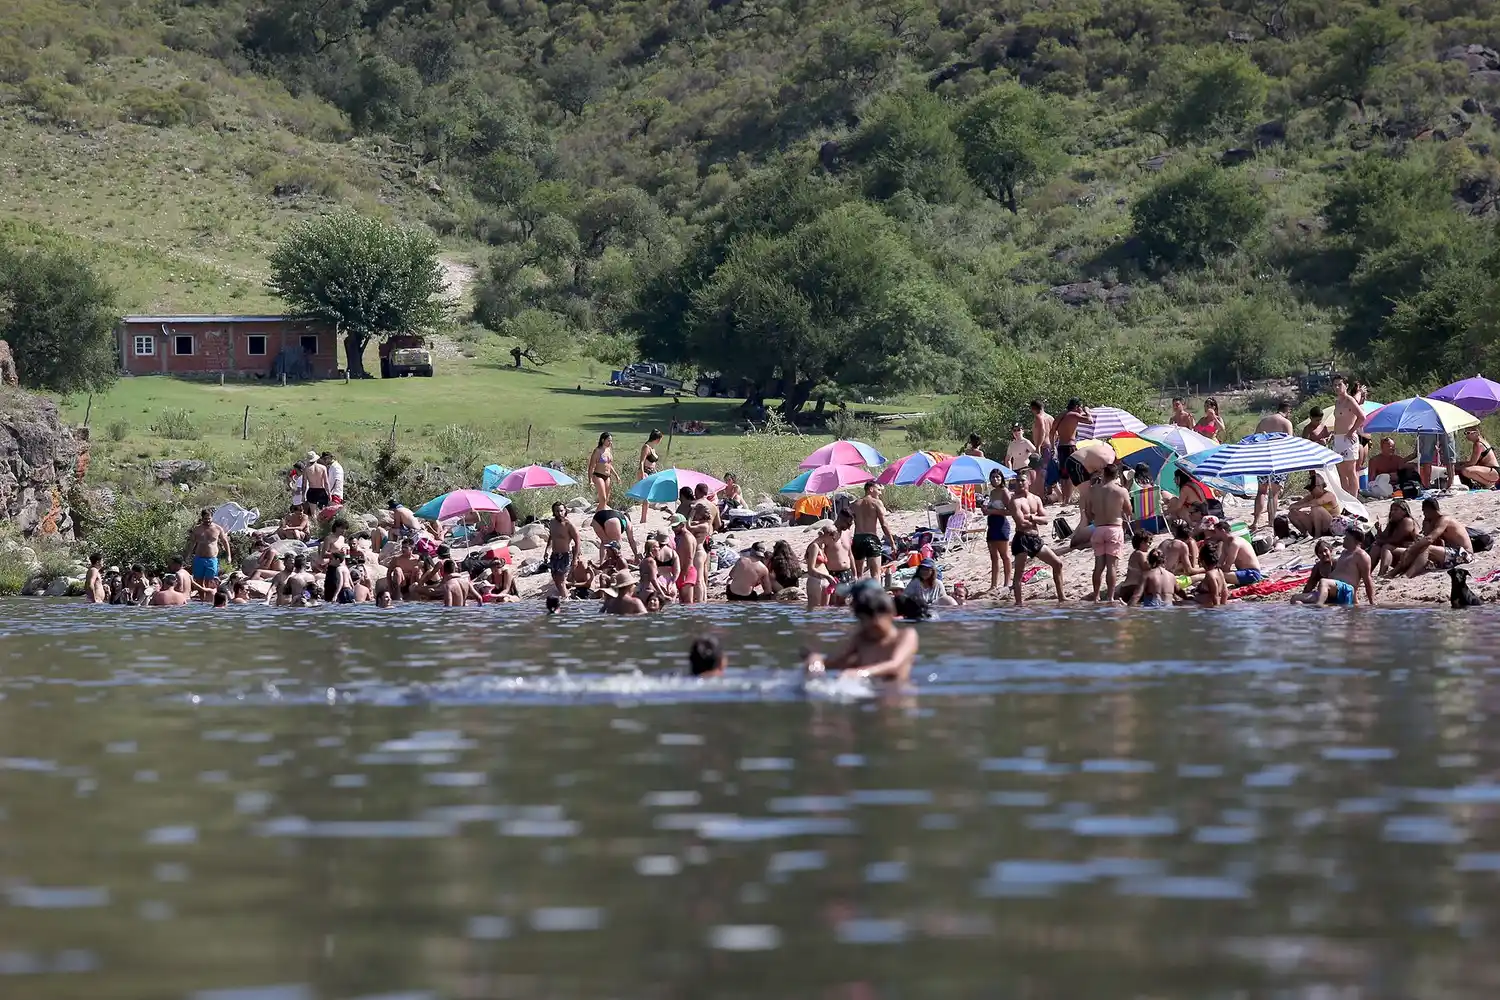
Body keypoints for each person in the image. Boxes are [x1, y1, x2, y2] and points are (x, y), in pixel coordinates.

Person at [804, 582, 919, 684]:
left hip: (896, 694)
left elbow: (895, 664)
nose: (869, 626)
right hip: (868, 694)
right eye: (863, 621)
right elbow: (835, 660)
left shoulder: (906, 635)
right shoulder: (861, 637)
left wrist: (859, 673)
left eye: (874, 624)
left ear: (890, 614)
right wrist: (816, 660)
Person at [1006, 474, 1064, 605]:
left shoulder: (1036, 499)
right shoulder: (1015, 501)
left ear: (1029, 481)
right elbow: (1021, 523)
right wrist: (1036, 519)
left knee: (1057, 563)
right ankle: (1019, 603)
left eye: (1022, 480)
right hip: (1022, 539)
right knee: (1019, 573)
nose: (1020, 483)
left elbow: (1046, 520)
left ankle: (1062, 597)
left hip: (1035, 539)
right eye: (1018, 481)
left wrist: (1032, 518)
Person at [1393, 497, 1473, 578]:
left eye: (1424, 512)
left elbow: (1429, 539)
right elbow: (1432, 541)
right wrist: (1425, 529)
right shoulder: (1435, 521)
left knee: (1425, 548)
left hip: (1464, 554)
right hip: (1452, 554)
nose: (1424, 515)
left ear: (1428, 510)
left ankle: (1407, 575)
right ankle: (1394, 573)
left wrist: (1410, 549)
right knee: (1419, 549)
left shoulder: (1444, 519)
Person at [1294, 528, 1375, 606]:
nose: (1344, 539)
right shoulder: (1344, 553)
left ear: (1355, 540)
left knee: (1324, 582)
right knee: (1295, 599)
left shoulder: (1362, 556)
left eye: (1347, 538)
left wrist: (1372, 602)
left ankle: (1319, 606)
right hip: (1332, 590)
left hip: (1345, 591)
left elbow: (1367, 579)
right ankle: (1320, 608)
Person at [1089, 463, 1129, 602]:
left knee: (1098, 566)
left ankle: (1096, 596)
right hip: (1114, 528)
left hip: (1098, 529)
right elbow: (1129, 510)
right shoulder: (1121, 491)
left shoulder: (1094, 490)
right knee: (1112, 566)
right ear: (1117, 475)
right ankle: (1111, 598)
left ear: (1104, 474)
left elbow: (1089, 512)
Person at [1253, 400, 1296, 527]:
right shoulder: (1286, 422)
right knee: (1274, 493)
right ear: (1288, 411)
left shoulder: (1264, 421)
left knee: (1261, 492)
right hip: (1278, 460)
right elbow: (1290, 443)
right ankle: (1271, 522)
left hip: (1263, 459)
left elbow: (1255, 439)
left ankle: (1255, 521)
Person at [1327, 376, 1366, 495]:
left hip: (1348, 438)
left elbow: (1361, 417)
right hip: (1338, 438)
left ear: (1346, 386)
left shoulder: (1350, 400)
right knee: (1341, 472)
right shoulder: (1337, 402)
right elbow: (1338, 420)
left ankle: (1354, 499)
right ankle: (1346, 499)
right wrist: (1333, 433)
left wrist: (1351, 431)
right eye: (1335, 385)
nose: (1337, 387)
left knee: (1351, 470)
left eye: (1340, 384)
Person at [851, 483, 895, 581]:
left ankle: (859, 595)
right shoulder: (876, 502)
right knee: (875, 574)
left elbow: (847, 523)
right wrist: (892, 542)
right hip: (871, 538)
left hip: (858, 538)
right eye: (878, 490)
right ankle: (876, 595)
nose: (880, 493)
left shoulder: (854, 504)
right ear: (871, 489)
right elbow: (884, 524)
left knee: (858, 575)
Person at [185, 509, 231, 599]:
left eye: (209, 518)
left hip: (211, 559)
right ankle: (203, 600)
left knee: (210, 582)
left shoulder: (218, 528)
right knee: (199, 581)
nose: (208, 520)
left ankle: (209, 601)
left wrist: (228, 555)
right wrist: (188, 555)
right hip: (199, 558)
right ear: (202, 518)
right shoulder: (197, 529)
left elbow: (225, 542)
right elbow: (192, 543)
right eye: (206, 519)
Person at [1203, 517, 1263, 586]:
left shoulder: (1234, 543)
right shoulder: (1225, 543)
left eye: (1215, 532)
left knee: (1215, 576)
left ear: (1222, 531)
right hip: (1242, 572)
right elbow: (1220, 563)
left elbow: (1227, 566)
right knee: (1213, 574)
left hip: (1251, 573)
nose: (1214, 535)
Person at [1052, 399, 1091, 505]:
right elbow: (1089, 420)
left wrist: (1052, 446)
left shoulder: (1061, 415)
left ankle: (1065, 499)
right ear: (1077, 407)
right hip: (1070, 446)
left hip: (1060, 446)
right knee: (1070, 473)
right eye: (1080, 407)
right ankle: (1068, 499)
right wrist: (1087, 411)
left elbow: (1052, 432)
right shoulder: (1074, 415)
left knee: (1063, 474)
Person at [983, 467, 1013, 593]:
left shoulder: (1004, 491)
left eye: (997, 477)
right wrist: (985, 510)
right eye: (993, 477)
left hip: (1001, 525)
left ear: (1001, 478)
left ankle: (1007, 582)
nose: (995, 479)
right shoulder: (992, 492)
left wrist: (992, 511)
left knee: (1005, 555)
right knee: (993, 557)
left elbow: (1010, 511)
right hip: (991, 525)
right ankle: (993, 584)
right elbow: (990, 510)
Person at [545, 502, 582, 601]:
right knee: (555, 579)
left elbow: (577, 541)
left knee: (561, 580)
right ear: (553, 512)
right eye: (557, 511)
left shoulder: (568, 524)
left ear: (565, 511)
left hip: (565, 555)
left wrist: (575, 559)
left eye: (561, 510)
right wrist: (546, 550)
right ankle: (565, 596)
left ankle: (566, 600)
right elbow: (551, 537)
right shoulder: (552, 523)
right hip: (554, 555)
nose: (559, 513)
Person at [1371, 499, 1419, 575]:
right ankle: (1366, 573)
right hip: (1399, 553)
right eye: (1392, 510)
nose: (1392, 512)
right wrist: (1379, 530)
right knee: (1376, 548)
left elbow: (1396, 540)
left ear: (1404, 512)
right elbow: (1384, 537)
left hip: (1411, 554)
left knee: (1386, 547)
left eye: (1396, 510)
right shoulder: (1393, 523)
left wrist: (1381, 541)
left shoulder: (1407, 521)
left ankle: (1382, 573)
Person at [1287, 473, 1342, 537]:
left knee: (1316, 509)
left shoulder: (1329, 495)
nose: (1310, 491)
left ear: (1319, 486)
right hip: (1316, 525)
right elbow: (1299, 503)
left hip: (1331, 526)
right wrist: (1294, 507)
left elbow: (1314, 503)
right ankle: (1306, 534)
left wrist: (1299, 506)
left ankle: (1317, 535)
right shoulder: (1311, 496)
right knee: (1292, 514)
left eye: (1311, 488)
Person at [1115, 532, 1153, 604]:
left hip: (1126, 588)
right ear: (1141, 543)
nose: (1149, 545)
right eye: (1148, 543)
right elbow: (1147, 569)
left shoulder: (1135, 553)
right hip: (1133, 588)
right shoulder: (1140, 554)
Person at [670, 514, 700, 605]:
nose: (673, 529)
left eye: (676, 526)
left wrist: (684, 573)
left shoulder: (687, 537)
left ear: (683, 524)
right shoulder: (679, 536)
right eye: (672, 527)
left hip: (687, 572)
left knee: (688, 603)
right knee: (682, 603)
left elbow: (689, 557)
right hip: (680, 571)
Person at [1030, 400, 1056, 497]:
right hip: (1050, 446)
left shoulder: (1038, 417)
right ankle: (1050, 494)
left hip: (1043, 447)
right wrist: (1053, 446)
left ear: (1033, 409)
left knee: (1041, 473)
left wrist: (1038, 447)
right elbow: (1055, 433)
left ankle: (1041, 497)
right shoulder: (1050, 418)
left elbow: (1043, 431)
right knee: (1049, 471)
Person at [636, 430, 663, 523]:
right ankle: (643, 519)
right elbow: (642, 461)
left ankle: (645, 516)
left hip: (652, 472)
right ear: (657, 439)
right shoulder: (646, 447)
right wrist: (642, 473)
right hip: (646, 471)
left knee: (651, 495)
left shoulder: (653, 448)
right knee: (646, 496)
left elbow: (654, 462)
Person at [587, 432, 615, 511]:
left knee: (606, 499)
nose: (610, 442)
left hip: (607, 476)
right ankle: (598, 517)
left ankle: (599, 514)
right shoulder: (597, 451)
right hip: (598, 475)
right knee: (603, 498)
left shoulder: (608, 450)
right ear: (603, 440)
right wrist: (590, 480)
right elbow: (592, 466)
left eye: (611, 441)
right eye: (608, 440)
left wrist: (616, 475)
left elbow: (609, 465)